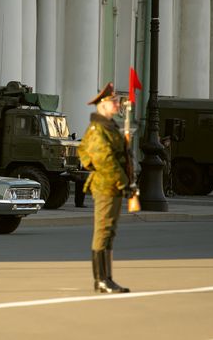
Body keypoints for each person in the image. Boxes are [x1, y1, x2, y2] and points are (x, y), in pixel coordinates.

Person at [77, 82, 131, 293]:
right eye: (114, 101)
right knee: (103, 231)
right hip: (106, 186)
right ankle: (101, 280)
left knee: (109, 232)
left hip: (113, 184)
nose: (117, 104)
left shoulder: (109, 126)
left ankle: (106, 278)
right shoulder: (98, 129)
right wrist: (123, 183)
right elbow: (105, 160)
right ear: (102, 105)